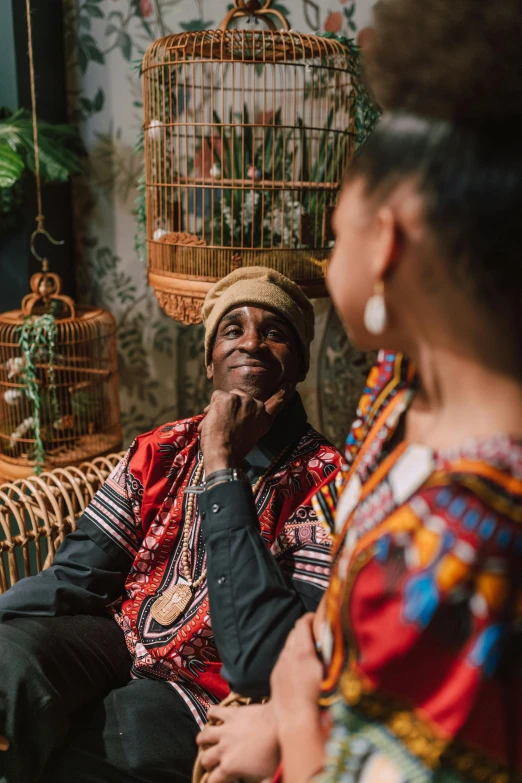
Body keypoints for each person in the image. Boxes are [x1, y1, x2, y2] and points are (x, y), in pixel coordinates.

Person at [197, 6, 522, 781]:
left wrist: (289, 713)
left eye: (336, 237)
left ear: (387, 242)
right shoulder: (403, 384)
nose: (250, 345)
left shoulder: (459, 548)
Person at [0, 266, 341, 783]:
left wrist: (223, 463)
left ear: (298, 366)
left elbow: (271, 652)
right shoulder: (162, 448)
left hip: (213, 690)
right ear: (210, 361)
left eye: (274, 333)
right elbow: (75, 576)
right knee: (11, 661)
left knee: (123, 734)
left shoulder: (326, 483)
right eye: (233, 330)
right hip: (121, 639)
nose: (251, 343)